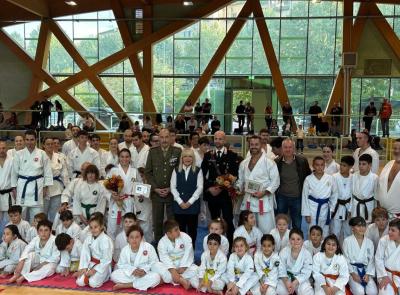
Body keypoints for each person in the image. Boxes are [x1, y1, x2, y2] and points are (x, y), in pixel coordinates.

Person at [201, 131, 239, 244]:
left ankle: (232, 245)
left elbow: (234, 174)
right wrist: (209, 188)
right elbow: (202, 175)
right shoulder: (208, 155)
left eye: (220, 139)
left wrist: (223, 186)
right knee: (214, 222)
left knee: (228, 220)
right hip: (212, 194)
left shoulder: (232, 155)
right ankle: (214, 244)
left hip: (226, 194)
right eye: (216, 138)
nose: (218, 141)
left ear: (225, 140)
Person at [238, 135, 280, 234]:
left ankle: (268, 248)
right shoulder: (244, 163)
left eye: (256, 144)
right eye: (251, 144)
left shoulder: (269, 163)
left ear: (261, 145)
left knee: (266, 230)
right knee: (250, 229)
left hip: (263, 201)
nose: (254, 146)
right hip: (249, 200)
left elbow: (276, 182)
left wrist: (264, 192)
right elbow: (241, 181)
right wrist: (238, 189)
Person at [145, 128, 181, 243]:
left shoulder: (177, 151)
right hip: (157, 193)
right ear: (158, 138)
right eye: (162, 137)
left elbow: (180, 172)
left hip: (172, 193)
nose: (164, 140)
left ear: (171, 138)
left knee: (172, 221)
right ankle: (159, 245)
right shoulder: (152, 151)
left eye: (167, 137)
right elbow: (148, 172)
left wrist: (171, 188)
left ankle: (174, 243)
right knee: (157, 222)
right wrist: (155, 188)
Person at [11, 130, 53, 223]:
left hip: (37, 187)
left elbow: (47, 172)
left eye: (32, 140)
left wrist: (46, 187)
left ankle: (36, 236)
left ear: (36, 140)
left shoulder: (42, 153)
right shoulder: (19, 154)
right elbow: (14, 173)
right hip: (22, 187)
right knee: (20, 216)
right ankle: (20, 236)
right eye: (27, 140)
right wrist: (14, 188)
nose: (29, 142)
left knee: (37, 217)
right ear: (25, 140)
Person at [9, 220, 60, 285]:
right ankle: (18, 274)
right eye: (41, 230)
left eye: (46, 230)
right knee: (30, 255)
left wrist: (41, 265)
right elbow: (27, 249)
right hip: (38, 259)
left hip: (49, 262)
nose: (43, 233)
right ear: (37, 231)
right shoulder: (36, 239)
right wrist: (21, 261)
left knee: (49, 269)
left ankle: (24, 277)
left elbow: (56, 257)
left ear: (50, 231)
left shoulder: (55, 240)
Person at [111, 225, 161, 291]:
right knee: (114, 275)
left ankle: (127, 285)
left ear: (141, 238)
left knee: (156, 277)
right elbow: (121, 264)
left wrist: (144, 270)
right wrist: (132, 270)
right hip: (131, 275)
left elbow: (154, 262)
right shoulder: (125, 250)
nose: (134, 240)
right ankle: (141, 284)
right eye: (131, 237)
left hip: (144, 274)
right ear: (128, 239)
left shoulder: (149, 247)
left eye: (137, 237)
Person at [275, 138, 311, 230]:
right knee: (280, 222)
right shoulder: (276, 162)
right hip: (281, 197)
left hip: (297, 197)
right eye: (285, 147)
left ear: (294, 148)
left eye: (290, 147)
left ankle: (296, 243)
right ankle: (281, 242)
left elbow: (308, 176)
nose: (288, 149)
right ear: (282, 149)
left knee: (297, 223)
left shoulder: (302, 161)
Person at [170, 148, 202, 247]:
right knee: (179, 231)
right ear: (181, 158)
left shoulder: (198, 170)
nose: (187, 158)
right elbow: (173, 187)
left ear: (193, 158)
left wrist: (189, 202)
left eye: (190, 156)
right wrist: (180, 202)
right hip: (179, 206)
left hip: (192, 206)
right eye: (185, 156)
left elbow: (200, 188)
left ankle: (191, 252)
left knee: (192, 230)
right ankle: (180, 251)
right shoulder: (176, 170)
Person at [156, 219, 198, 290]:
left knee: (197, 270)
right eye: (176, 230)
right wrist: (173, 271)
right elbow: (164, 258)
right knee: (157, 266)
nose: (179, 231)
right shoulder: (162, 243)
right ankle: (181, 280)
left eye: (178, 228)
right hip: (171, 268)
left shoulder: (186, 237)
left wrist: (183, 267)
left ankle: (173, 280)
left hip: (184, 266)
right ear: (168, 233)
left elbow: (189, 253)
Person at [75, 214, 113, 288]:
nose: (93, 230)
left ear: (101, 226)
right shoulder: (89, 238)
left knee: (93, 283)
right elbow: (84, 254)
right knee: (80, 282)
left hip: (102, 266)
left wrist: (94, 270)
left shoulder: (106, 240)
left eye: (96, 227)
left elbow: (107, 259)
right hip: (91, 264)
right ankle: (89, 275)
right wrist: (84, 268)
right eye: (91, 228)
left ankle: (106, 276)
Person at [106, 149, 136, 239]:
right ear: (119, 158)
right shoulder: (113, 170)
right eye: (122, 156)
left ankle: (127, 251)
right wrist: (112, 194)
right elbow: (105, 187)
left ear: (130, 158)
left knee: (129, 228)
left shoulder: (135, 171)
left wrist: (141, 194)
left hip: (129, 202)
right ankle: (111, 251)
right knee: (112, 228)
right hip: (116, 202)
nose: (124, 159)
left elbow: (139, 187)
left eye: (127, 157)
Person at [343, 216, 377, 295]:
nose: (362, 228)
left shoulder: (369, 242)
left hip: (365, 270)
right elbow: (345, 259)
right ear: (352, 228)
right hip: (352, 271)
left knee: (373, 292)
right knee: (359, 292)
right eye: (358, 226)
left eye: (363, 225)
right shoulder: (347, 241)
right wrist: (353, 274)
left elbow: (371, 260)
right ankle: (351, 286)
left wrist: (368, 274)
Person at [302, 156, 335, 237]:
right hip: (312, 208)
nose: (320, 167)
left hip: (325, 207)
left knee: (325, 231)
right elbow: (304, 196)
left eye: (322, 165)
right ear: (313, 165)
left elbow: (334, 194)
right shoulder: (308, 179)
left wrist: (332, 208)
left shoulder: (330, 178)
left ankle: (323, 248)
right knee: (312, 230)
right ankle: (311, 249)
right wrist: (306, 213)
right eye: (317, 165)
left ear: (324, 166)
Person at [277, 228, 314, 295]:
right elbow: (281, 268)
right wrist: (286, 282)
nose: (295, 241)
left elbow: (307, 271)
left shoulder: (307, 254)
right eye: (293, 239)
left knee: (307, 292)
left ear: (302, 241)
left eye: (298, 239)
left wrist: (295, 282)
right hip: (286, 277)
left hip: (300, 279)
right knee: (280, 291)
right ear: (289, 240)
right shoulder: (284, 251)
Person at [42, 137, 69, 222]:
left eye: (52, 144)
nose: (50, 146)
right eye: (48, 144)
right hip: (43, 188)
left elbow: (65, 174)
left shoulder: (60, 157)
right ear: (43, 145)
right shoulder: (40, 156)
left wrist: (67, 189)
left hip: (57, 188)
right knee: (43, 213)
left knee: (55, 214)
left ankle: (53, 232)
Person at [330, 156, 354, 240]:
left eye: (344, 165)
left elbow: (353, 195)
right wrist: (332, 209)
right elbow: (332, 194)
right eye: (341, 165)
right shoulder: (334, 177)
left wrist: (350, 209)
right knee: (335, 231)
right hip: (337, 207)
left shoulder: (353, 177)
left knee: (348, 232)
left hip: (348, 207)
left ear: (350, 167)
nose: (341, 167)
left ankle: (346, 251)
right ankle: (334, 251)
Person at [375, 218, 400, 295]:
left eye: (393, 230)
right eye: (389, 229)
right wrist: (384, 276)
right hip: (385, 273)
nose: (389, 232)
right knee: (385, 292)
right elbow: (378, 259)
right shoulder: (384, 240)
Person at [351, 154, 378, 223]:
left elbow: (376, 196)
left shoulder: (374, 178)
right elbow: (351, 194)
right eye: (359, 164)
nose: (361, 166)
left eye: (364, 164)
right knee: (355, 226)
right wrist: (350, 208)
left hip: (369, 206)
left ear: (370, 165)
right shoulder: (354, 175)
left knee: (367, 227)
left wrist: (375, 211)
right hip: (356, 205)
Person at [377, 139, 400, 219]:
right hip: (382, 214)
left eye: (399, 149)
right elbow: (380, 186)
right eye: (395, 148)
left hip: (397, 215)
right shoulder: (388, 164)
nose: (396, 151)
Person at [0, 141, 14, 233]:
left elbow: (15, 177)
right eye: (0, 148)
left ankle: (4, 242)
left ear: (7, 149)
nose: (1, 150)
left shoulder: (12, 160)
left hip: (8, 193)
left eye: (3, 148)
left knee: (7, 220)